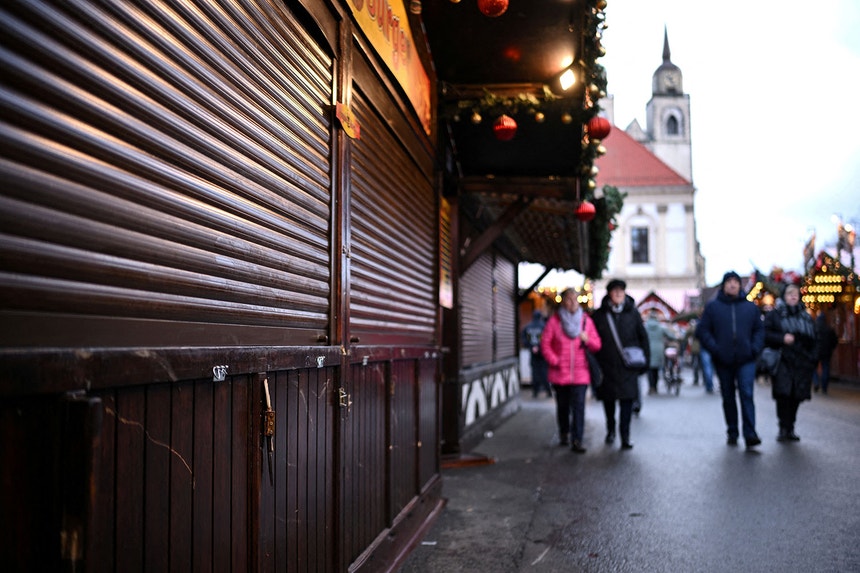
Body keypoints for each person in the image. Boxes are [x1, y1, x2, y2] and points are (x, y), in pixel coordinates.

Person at [696, 271, 764, 449]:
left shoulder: (750, 307)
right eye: (729, 282)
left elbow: (759, 330)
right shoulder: (713, 307)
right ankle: (732, 431)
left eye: (735, 282)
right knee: (728, 396)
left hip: (746, 358)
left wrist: (754, 348)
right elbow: (703, 331)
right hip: (723, 359)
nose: (733, 285)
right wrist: (715, 349)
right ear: (724, 285)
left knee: (746, 394)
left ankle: (750, 433)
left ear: (739, 285)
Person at [540, 289, 602, 453]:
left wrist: (587, 339)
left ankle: (577, 439)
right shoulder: (555, 322)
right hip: (560, 374)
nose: (573, 302)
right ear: (563, 302)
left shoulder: (586, 321)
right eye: (569, 299)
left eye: (575, 299)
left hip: (581, 374)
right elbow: (545, 344)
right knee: (563, 407)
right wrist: (555, 360)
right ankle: (564, 432)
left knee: (579, 407)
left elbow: (597, 345)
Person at [593, 279, 649, 450]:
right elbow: (594, 340)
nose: (618, 293)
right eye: (615, 291)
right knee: (608, 402)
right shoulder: (599, 315)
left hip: (628, 367)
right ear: (609, 293)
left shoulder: (633, 313)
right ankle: (611, 430)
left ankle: (625, 436)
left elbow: (643, 338)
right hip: (607, 367)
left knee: (627, 403)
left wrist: (644, 363)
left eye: (621, 291)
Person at [763, 283, 817, 442]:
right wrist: (782, 338)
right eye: (789, 293)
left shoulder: (806, 316)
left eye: (795, 293)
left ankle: (791, 426)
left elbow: (814, 338)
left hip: (802, 362)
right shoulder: (775, 315)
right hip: (782, 360)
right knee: (783, 395)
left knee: (796, 396)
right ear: (784, 296)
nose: (793, 296)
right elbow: (765, 334)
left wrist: (812, 357)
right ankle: (783, 427)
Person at [522, 310, 551, 398]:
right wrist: (539, 346)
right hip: (543, 353)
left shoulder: (528, 327)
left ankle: (535, 391)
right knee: (544, 372)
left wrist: (532, 346)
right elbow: (547, 338)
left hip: (533, 353)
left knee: (535, 373)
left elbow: (524, 338)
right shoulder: (544, 326)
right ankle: (548, 391)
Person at [644, 310, 673, 394]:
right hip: (659, 349)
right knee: (656, 370)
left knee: (649, 370)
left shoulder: (645, 327)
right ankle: (655, 387)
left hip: (648, 349)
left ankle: (651, 387)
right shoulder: (661, 327)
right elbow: (671, 336)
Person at [813, 311, 838, 394]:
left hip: (816, 351)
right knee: (826, 368)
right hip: (826, 352)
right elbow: (834, 341)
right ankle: (824, 386)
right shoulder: (829, 329)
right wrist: (831, 348)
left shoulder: (814, 328)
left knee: (814, 368)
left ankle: (816, 382)